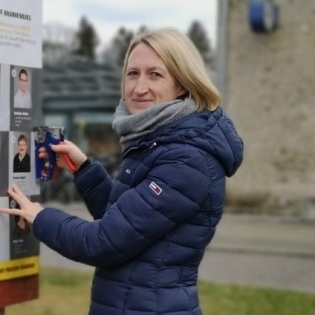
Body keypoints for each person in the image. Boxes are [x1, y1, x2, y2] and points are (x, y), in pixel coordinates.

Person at [0, 28, 243, 314]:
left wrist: (40, 217)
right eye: (132, 74)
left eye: (155, 74)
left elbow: (103, 241)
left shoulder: (187, 159)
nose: (139, 87)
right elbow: (125, 221)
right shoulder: (157, 140)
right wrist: (85, 169)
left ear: (183, 84)